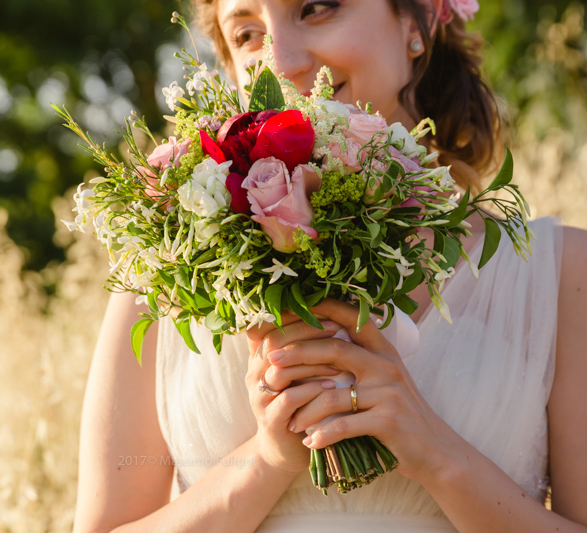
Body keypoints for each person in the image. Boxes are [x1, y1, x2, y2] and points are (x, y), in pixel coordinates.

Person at [73, 1, 587, 531]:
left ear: (415, 22)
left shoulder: (561, 275)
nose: (283, 61)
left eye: (316, 8)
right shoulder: (164, 267)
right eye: (248, 34)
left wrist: (437, 455)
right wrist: (264, 463)